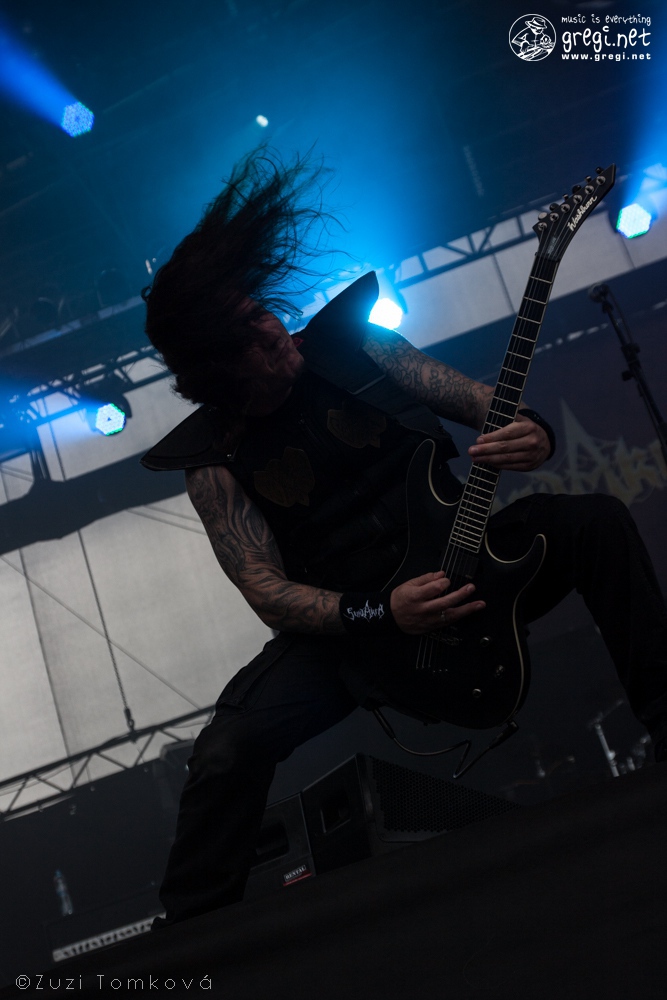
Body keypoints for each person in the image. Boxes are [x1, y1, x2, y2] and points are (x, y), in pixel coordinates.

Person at [141, 151, 667, 925]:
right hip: (355, 629)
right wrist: (381, 612)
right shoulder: (212, 461)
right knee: (225, 751)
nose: (274, 330)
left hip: (466, 561)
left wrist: (531, 432)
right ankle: (189, 940)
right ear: (218, 372)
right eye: (252, 337)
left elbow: (480, 401)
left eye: (263, 311)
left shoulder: (356, 347)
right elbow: (266, 590)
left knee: (593, 524)